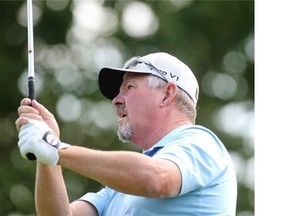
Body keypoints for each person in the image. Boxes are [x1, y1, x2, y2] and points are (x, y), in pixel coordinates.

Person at [16, 52, 237, 216]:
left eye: (129, 88)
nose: (116, 100)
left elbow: (157, 179)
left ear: (167, 94)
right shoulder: (118, 188)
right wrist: (46, 156)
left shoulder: (201, 142)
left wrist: (55, 148)